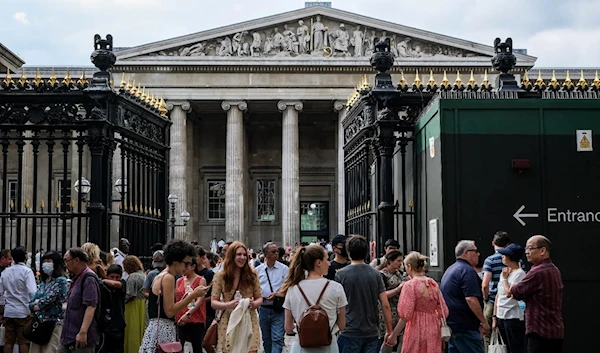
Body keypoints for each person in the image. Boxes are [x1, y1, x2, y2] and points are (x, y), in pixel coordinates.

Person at [138, 239, 209, 353]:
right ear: (176, 261)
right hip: (163, 329)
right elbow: (170, 311)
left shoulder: (162, 276)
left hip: (158, 328)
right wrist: (192, 296)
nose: (187, 268)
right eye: (186, 263)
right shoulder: (168, 278)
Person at [281, 244, 347, 353]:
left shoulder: (293, 289)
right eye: (326, 260)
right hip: (328, 347)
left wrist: (305, 327)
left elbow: (288, 328)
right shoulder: (336, 288)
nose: (329, 263)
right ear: (318, 262)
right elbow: (342, 325)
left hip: (301, 347)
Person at [335, 235, 393, 353]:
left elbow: (336, 305)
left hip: (349, 330)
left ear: (348, 252)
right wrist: (389, 330)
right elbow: (385, 304)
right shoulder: (375, 274)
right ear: (366, 252)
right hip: (371, 331)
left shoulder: (341, 275)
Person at [511, 235, 564, 353]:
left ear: (543, 250)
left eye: (530, 248)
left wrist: (505, 280)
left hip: (539, 330)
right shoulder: (554, 269)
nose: (527, 252)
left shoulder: (537, 272)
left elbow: (516, 292)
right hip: (556, 330)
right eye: (526, 249)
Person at [388, 252, 448, 353]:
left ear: (409, 267)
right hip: (433, 328)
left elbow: (405, 315)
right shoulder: (432, 284)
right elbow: (444, 311)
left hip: (415, 328)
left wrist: (394, 335)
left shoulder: (410, 286)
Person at [211, 241, 263, 353]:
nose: (242, 257)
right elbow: (213, 303)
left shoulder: (252, 274)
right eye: (239, 254)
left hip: (248, 318)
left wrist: (254, 304)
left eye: (245, 255)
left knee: (251, 349)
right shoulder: (220, 275)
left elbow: (259, 298)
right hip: (228, 319)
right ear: (231, 256)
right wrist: (228, 304)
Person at [441, 240, 489, 353]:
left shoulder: (451, 269)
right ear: (466, 253)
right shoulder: (467, 271)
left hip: (453, 324)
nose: (478, 254)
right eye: (475, 251)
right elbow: (471, 299)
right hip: (465, 326)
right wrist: (483, 321)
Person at [60, 248, 100, 353]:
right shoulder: (77, 278)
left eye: (66, 260)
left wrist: (83, 332)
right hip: (68, 336)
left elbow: (91, 306)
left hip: (80, 338)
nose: (65, 264)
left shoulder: (88, 278)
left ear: (76, 260)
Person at [28, 251, 68, 353]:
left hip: (54, 324)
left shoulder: (61, 281)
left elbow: (48, 300)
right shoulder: (44, 283)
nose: (46, 264)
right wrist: (36, 304)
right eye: (44, 261)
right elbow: (32, 303)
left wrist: (38, 303)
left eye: (49, 261)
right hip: (40, 323)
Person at [0, 246, 37, 353]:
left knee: (9, 341)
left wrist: (2, 309)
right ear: (25, 256)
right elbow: (32, 292)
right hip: (23, 311)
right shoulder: (27, 271)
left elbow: (1, 293)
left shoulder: (5, 272)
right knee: (23, 341)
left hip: (9, 311)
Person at [492, 243, 526, 353]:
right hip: (501, 316)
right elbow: (498, 295)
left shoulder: (519, 274)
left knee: (515, 347)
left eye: (505, 255)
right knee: (505, 347)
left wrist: (504, 279)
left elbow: (509, 293)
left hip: (513, 317)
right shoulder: (506, 272)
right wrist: (494, 316)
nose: (502, 257)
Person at [256, 242, 289, 353]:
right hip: (263, 309)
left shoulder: (284, 269)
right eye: (273, 252)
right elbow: (254, 288)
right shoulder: (258, 270)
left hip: (278, 308)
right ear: (266, 254)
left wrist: (277, 294)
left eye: (277, 252)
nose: (276, 254)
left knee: (277, 338)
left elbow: (287, 287)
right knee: (266, 339)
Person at [481, 231, 510, 347]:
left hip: (493, 301)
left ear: (493, 243)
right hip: (510, 303)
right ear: (508, 244)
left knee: (488, 336)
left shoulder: (490, 260)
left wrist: (486, 298)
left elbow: (485, 284)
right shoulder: (515, 260)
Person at [175, 258, 207, 353]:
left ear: (193, 266)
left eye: (186, 265)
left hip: (196, 318)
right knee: (179, 346)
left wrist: (188, 314)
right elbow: (177, 299)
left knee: (197, 347)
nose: (184, 268)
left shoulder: (201, 280)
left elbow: (200, 300)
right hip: (180, 317)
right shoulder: (179, 281)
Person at [377, 250, 405, 353]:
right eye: (398, 261)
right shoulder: (382, 275)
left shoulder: (400, 273)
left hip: (399, 311)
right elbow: (381, 295)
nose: (400, 264)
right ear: (390, 261)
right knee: (386, 340)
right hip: (386, 311)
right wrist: (397, 290)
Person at [122, 256, 146, 353]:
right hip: (141, 304)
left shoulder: (132, 277)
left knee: (132, 330)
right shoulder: (142, 274)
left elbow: (130, 294)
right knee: (139, 329)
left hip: (133, 306)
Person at [101, 265, 127, 353]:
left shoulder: (122, 284)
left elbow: (117, 284)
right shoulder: (103, 287)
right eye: (112, 277)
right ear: (107, 276)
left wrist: (103, 280)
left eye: (117, 277)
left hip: (118, 324)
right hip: (105, 325)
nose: (114, 279)